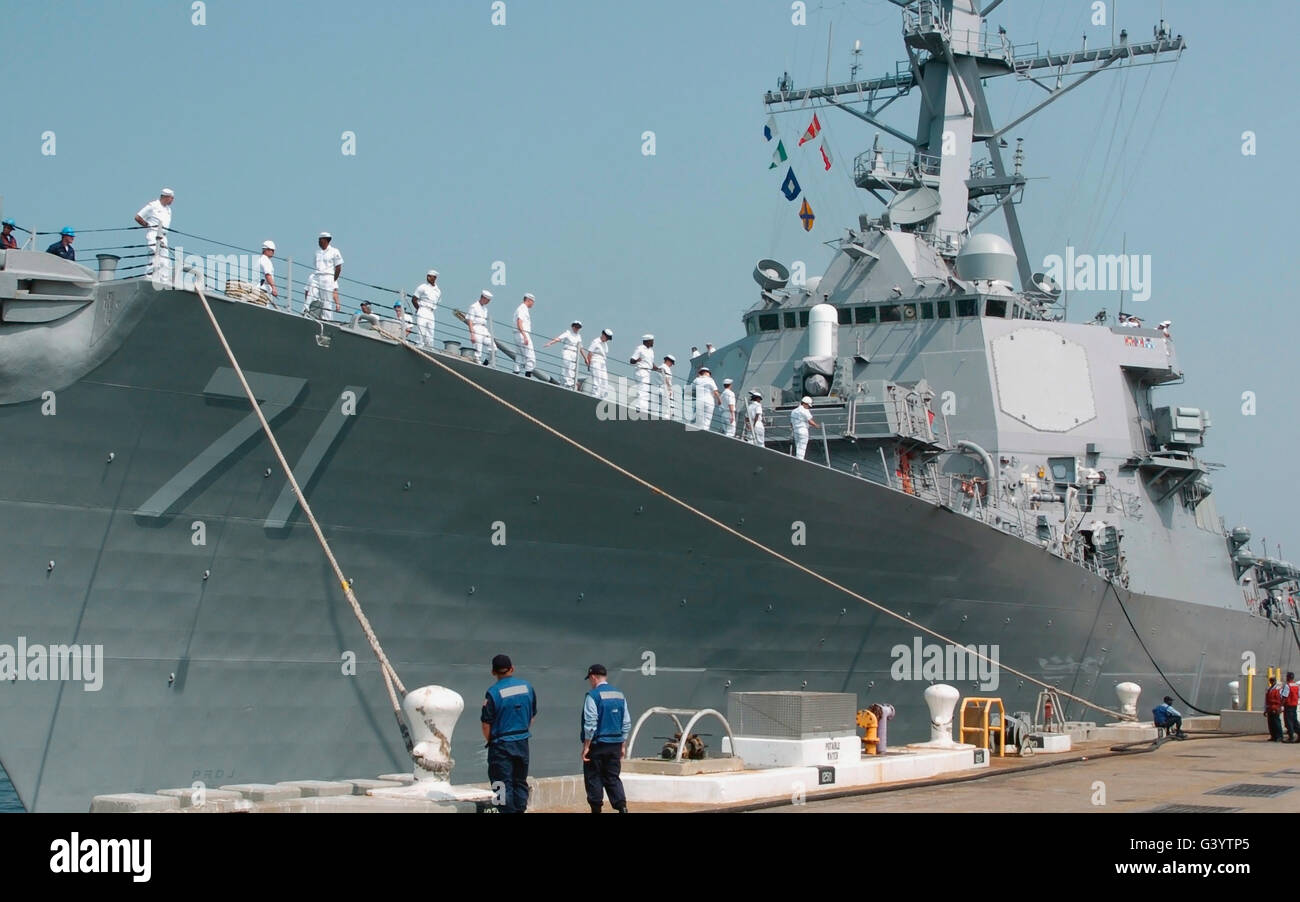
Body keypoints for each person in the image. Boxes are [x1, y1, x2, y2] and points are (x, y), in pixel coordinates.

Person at [481, 654, 537, 814]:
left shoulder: (493, 693)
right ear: (512, 668)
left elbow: (486, 724)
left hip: (501, 745)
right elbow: (532, 716)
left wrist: (491, 740)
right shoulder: (527, 687)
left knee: (500, 785)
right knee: (520, 781)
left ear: (493, 672)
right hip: (522, 742)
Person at [581, 664, 629, 814]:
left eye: (590, 679)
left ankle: (596, 810)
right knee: (613, 777)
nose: (590, 682)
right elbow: (626, 722)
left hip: (598, 745)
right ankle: (622, 807)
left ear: (593, 677)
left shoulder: (593, 695)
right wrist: (623, 744)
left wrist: (587, 746)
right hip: (615, 744)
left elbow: (590, 723)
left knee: (594, 778)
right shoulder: (620, 695)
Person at [134, 188, 174, 281]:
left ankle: (164, 279)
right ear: (166, 197)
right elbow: (138, 217)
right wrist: (147, 225)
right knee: (154, 254)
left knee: (164, 259)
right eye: (171, 198)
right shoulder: (153, 206)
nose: (172, 200)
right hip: (154, 233)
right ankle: (149, 276)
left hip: (163, 235)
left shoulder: (168, 210)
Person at [305, 232, 343, 321]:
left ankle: (327, 320)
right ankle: (306, 312)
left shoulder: (334, 251)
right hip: (317, 275)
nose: (318, 242)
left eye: (320, 240)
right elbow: (315, 265)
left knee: (326, 301)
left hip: (328, 277)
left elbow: (338, 267)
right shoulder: (317, 252)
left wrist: (334, 279)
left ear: (325, 240)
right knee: (310, 295)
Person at [545, 320, 584, 389]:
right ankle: (566, 383)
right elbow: (559, 338)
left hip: (575, 353)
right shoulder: (568, 333)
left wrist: (585, 358)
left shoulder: (578, 336)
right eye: (576, 326)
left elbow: (580, 348)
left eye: (578, 327)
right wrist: (550, 343)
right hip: (567, 351)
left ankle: (571, 383)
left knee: (572, 368)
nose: (577, 328)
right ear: (573, 326)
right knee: (567, 365)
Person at [412, 270, 440, 350]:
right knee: (421, 329)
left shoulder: (438, 291)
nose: (428, 278)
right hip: (423, 309)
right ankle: (419, 345)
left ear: (435, 278)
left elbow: (437, 302)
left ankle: (429, 347)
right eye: (428, 276)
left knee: (430, 331)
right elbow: (414, 299)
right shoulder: (422, 287)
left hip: (431, 311)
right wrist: (419, 309)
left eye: (431, 276)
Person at [630, 335, 657, 414]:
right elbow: (632, 360)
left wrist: (658, 369)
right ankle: (640, 408)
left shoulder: (651, 351)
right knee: (642, 390)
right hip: (641, 371)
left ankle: (643, 408)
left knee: (645, 391)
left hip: (648, 372)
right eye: (652, 341)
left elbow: (651, 363)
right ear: (647, 341)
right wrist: (637, 360)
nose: (653, 342)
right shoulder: (640, 348)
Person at [466, 290, 493, 365]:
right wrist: (472, 334)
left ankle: (486, 362)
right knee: (478, 350)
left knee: (493, 348)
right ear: (483, 298)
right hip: (476, 327)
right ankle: (477, 363)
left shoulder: (485, 309)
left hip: (484, 329)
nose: (488, 302)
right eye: (487, 300)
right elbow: (470, 321)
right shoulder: (474, 306)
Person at [513, 293, 536, 376]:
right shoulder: (523, 308)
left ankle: (516, 372)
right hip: (522, 333)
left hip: (518, 334)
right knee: (530, 356)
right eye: (532, 302)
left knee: (519, 355)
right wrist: (524, 336)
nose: (533, 304)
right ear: (528, 300)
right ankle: (528, 374)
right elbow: (519, 322)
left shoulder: (520, 308)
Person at [586, 328, 612, 398]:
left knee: (604, 382)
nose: (607, 340)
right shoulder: (596, 342)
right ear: (603, 335)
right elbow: (590, 353)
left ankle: (602, 397)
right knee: (597, 381)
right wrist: (589, 365)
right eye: (607, 338)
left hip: (603, 362)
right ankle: (595, 396)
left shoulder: (605, 344)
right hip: (595, 361)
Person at [692, 366, 720, 432]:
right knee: (707, 420)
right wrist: (719, 400)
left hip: (700, 401)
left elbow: (690, 391)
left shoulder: (696, 380)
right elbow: (715, 391)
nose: (710, 374)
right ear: (706, 372)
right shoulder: (710, 380)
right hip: (709, 401)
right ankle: (704, 432)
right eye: (709, 373)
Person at [256, 240, 278, 305]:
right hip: (263, 290)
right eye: (271, 250)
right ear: (265, 250)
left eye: (273, 250)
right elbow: (268, 275)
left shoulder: (260, 259)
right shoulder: (265, 260)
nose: (272, 252)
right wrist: (274, 288)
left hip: (260, 289)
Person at [1265, 675, 1285, 742]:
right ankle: (1273, 736)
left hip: (1276, 707)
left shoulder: (1279, 689)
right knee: (1271, 723)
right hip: (1270, 708)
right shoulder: (1269, 689)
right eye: (1270, 680)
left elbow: (1282, 698)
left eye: (1272, 680)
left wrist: (1281, 708)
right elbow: (1266, 700)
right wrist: (1265, 710)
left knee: (1276, 722)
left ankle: (1279, 736)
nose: (1271, 682)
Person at [1283, 672, 1300, 742]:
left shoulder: (1287, 685)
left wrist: (1281, 705)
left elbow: (1285, 696)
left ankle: (1291, 737)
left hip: (1288, 705)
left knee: (1288, 721)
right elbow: (1299, 695)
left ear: (1288, 677)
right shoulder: (1296, 685)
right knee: (1294, 720)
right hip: (1294, 705)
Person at [659, 353, 676, 419]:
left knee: (663, 407)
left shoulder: (661, 367)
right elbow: (666, 378)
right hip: (664, 389)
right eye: (672, 363)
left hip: (661, 388)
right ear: (668, 361)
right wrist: (669, 389)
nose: (672, 365)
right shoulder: (664, 367)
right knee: (667, 407)